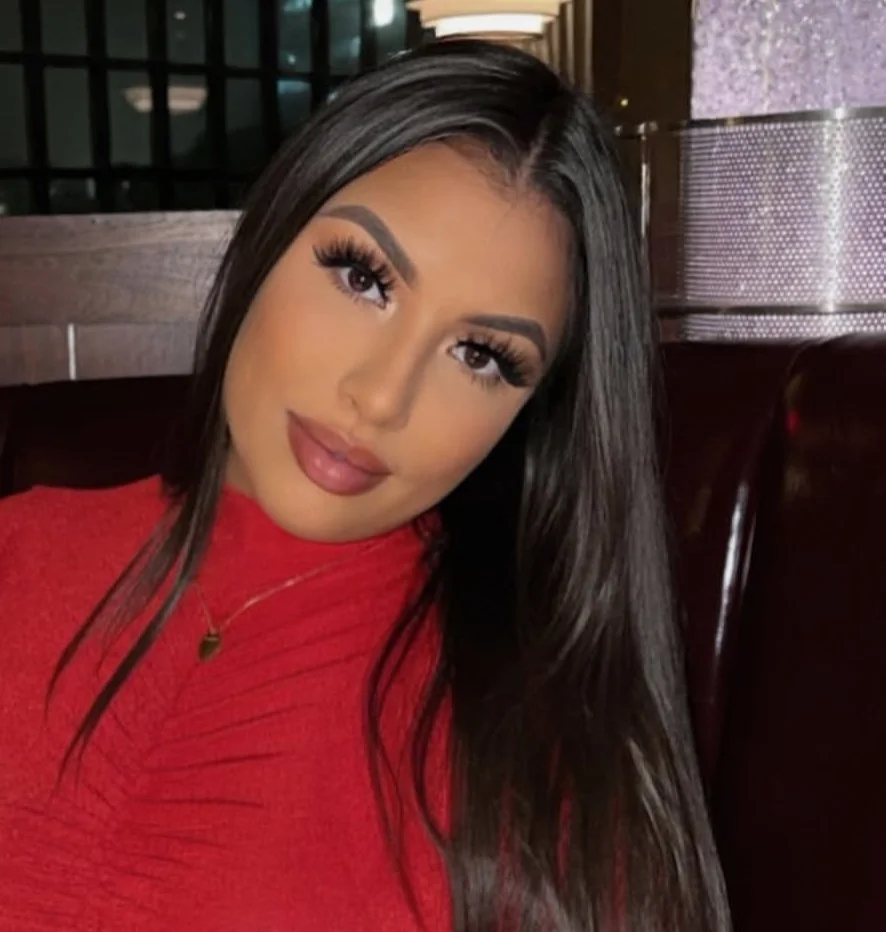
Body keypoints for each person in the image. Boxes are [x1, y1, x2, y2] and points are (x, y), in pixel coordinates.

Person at [0, 40, 729, 932]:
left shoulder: (541, 758)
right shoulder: (17, 552)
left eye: (482, 355)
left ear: (535, 413)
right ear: (272, 230)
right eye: (363, 276)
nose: (381, 397)